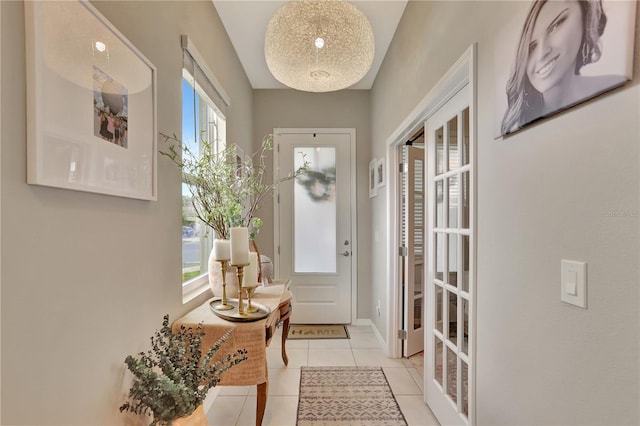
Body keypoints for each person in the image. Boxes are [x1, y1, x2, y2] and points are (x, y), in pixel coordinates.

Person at [501, 0, 624, 135]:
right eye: (532, 46)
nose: (542, 53)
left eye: (556, 26)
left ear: (585, 15)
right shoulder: (517, 123)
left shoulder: (614, 86)